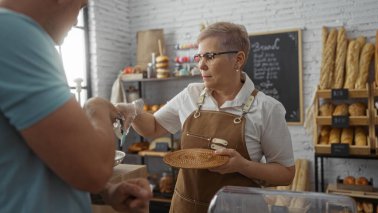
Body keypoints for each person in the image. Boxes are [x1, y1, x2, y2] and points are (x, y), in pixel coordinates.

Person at [118, 22, 295, 213]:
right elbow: (152, 127)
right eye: (199, 56)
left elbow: (285, 174)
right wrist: (132, 112)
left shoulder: (267, 108)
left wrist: (242, 165)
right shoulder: (191, 94)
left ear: (238, 59)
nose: (200, 65)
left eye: (210, 56)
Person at [0, 0, 151, 212]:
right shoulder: (13, 32)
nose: (76, 20)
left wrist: (107, 190)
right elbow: (95, 169)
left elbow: (39, 151)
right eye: (80, 6)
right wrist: (97, 106)